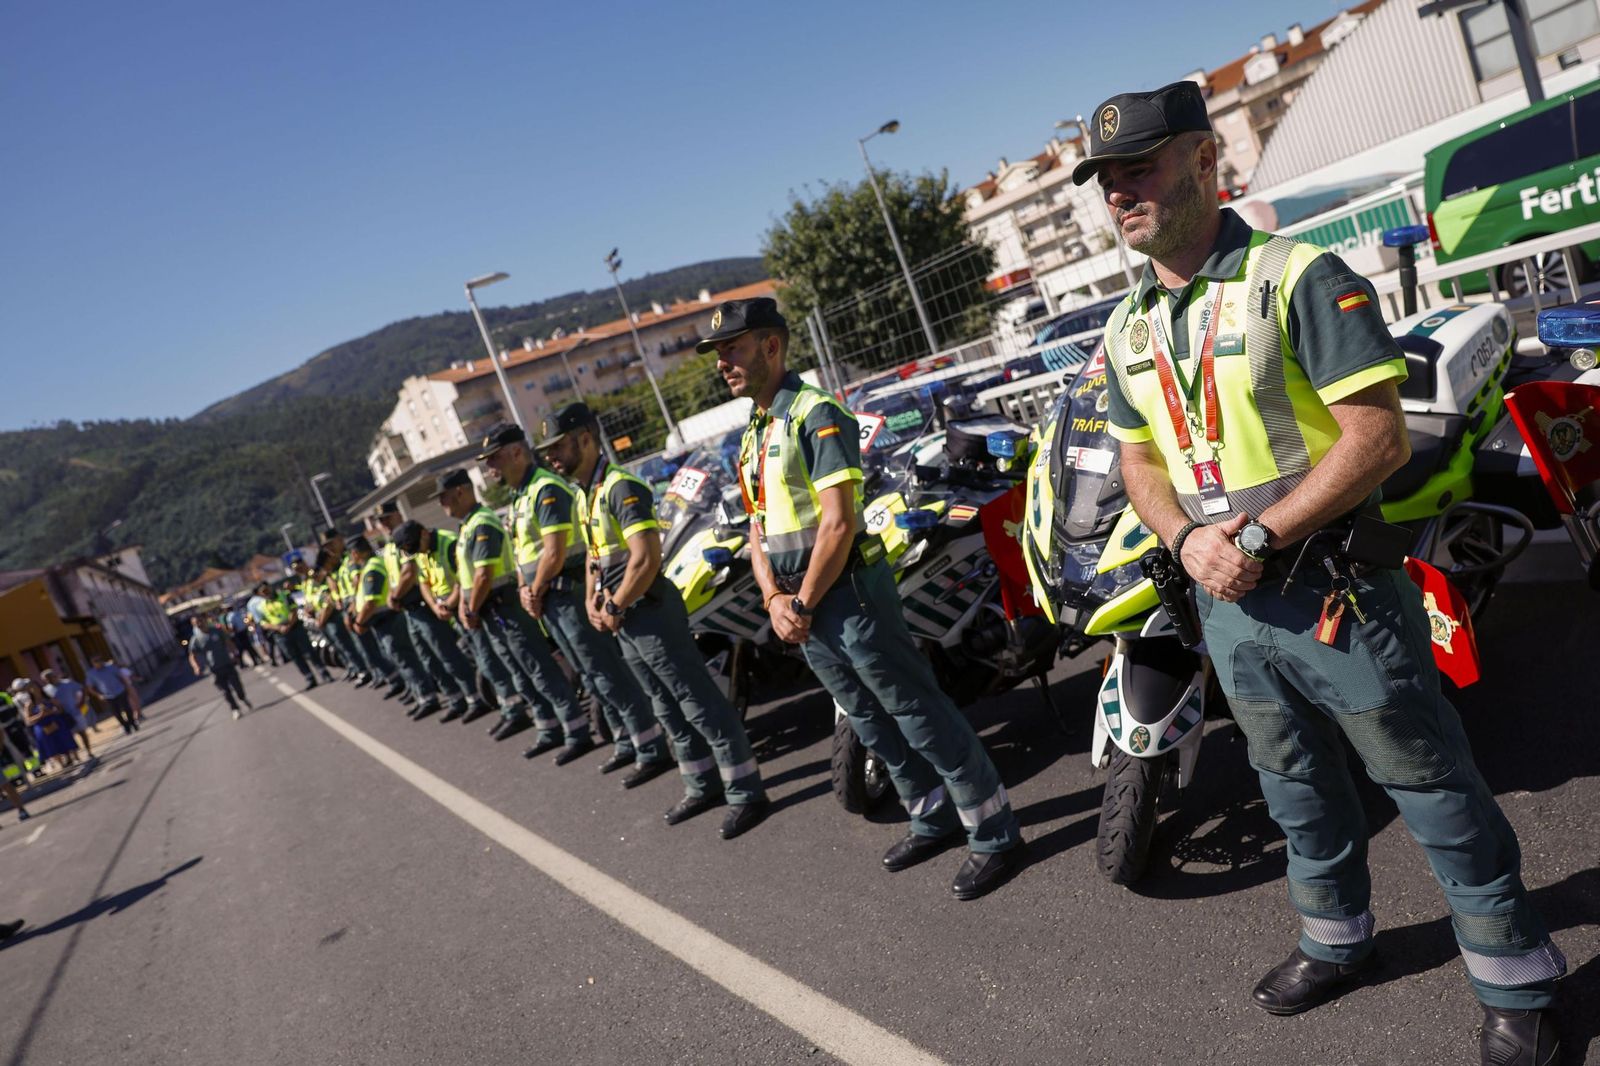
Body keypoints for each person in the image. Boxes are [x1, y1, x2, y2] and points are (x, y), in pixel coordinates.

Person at [1078, 81, 1566, 1064]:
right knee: (1291, 783)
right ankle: (1335, 941)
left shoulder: (1297, 274)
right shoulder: (1129, 325)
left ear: (1204, 162)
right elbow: (1135, 458)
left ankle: (1518, 977)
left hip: (1331, 592)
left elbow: (1376, 438)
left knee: (1426, 783)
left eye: (1140, 167)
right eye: (1106, 179)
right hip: (1225, 603)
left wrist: (1255, 538)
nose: (1120, 192)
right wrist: (1184, 541)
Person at [707, 298, 1025, 894]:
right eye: (719, 351)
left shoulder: (815, 414)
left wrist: (796, 602)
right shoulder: (755, 428)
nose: (722, 360)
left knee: (916, 710)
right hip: (803, 603)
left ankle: (994, 832)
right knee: (864, 716)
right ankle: (929, 815)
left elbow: (837, 523)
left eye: (734, 347)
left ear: (772, 347)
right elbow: (756, 528)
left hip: (847, 592)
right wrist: (774, 597)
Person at [542, 403, 770, 840]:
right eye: (547, 449)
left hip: (648, 612)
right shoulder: (583, 492)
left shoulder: (620, 487)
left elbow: (646, 557)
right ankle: (701, 784)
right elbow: (596, 554)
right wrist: (593, 598)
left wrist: (613, 605)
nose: (551, 456)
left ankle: (746, 792)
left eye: (558, 446)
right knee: (665, 705)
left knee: (696, 700)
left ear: (586, 438)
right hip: (625, 616)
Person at [478, 422, 675, 778]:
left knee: (605, 670)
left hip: (566, 593)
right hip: (549, 599)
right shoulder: (520, 495)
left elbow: (553, 552)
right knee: (589, 674)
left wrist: (533, 590)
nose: (490, 467)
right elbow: (525, 552)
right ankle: (627, 741)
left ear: (516, 452)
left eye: (494, 458)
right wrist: (527, 589)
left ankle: (650, 745)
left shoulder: (546, 488)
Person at [435, 469, 589, 747]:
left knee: (539, 669)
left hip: (503, 606)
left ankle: (576, 729)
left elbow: (484, 574)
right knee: (522, 673)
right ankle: (550, 728)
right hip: (492, 610)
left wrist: (469, 608)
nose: (441, 504)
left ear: (460, 491)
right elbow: (467, 577)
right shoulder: (468, 526)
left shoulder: (482, 523)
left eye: (443, 496)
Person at [389, 521, 487, 724]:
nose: (417, 552)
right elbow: (423, 580)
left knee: (457, 656)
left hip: (461, 605)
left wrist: (449, 604)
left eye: (417, 547)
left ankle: (476, 698)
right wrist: (435, 605)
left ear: (424, 534)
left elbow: (463, 578)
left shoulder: (447, 542)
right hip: (441, 607)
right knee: (433, 659)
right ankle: (459, 699)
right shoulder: (421, 551)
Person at [250, 582, 334, 690]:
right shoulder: (261, 606)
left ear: (270, 587)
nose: (266, 592)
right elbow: (263, 623)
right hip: (280, 633)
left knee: (309, 652)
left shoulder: (284, 595)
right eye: (263, 592)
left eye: (266, 589)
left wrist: (289, 625)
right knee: (295, 656)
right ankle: (309, 678)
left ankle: (324, 673)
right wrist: (279, 628)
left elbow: (293, 610)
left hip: (295, 627)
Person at [189, 614, 253, 720]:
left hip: (227, 663)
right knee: (225, 691)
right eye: (196, 623)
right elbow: (192, 656)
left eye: (200, 621)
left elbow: (228, 642)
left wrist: (235, 654)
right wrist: (196, 667)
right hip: (214, 669)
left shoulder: (216, 631)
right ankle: (235, 708)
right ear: (194, 625)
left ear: (205, 620)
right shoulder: (196, 639)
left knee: (237, 686)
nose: (199, 624)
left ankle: (242, 698)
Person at [19, 680, 78, 773]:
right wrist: (40, 715)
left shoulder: (48, 699)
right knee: (50, 746)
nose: (34, 690)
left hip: (56, 722)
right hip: (42, 727)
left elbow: (60, 709)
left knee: (63, 740)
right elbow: (28, 720)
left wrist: (51, 711)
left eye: (35, 687)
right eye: (31, 688)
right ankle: (61, 764)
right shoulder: (29, 704)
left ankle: (70, 758)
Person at [41, 668, 95, 762]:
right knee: (69, 736)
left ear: (54, 676)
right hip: (61, 717)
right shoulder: (46, 690)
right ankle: (75, 756)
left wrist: (82, 702)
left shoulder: (67, 683)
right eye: (46, 679)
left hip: (75, 712)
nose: (49, 680)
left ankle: (89, 751)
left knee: (82, 733)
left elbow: (82, 689)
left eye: (50, 677)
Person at [85, 656, 139, 734]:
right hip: (108, 695)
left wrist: (127, 687)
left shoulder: (111, 668)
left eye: (99, 660)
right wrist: (98, 695)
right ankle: (126, 726)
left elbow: (121, 677)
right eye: (95, 662)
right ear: (93, 664)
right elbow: (90, 687)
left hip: (120, 690)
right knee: (116, 712)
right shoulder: (91, 674)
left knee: (127, 708)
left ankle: (132, 722)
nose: (98, 663)